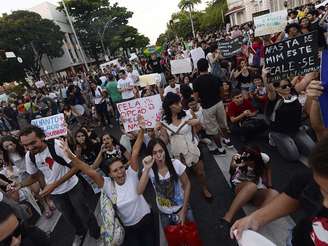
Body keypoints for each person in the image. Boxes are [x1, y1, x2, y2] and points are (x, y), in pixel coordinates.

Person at [61, 126, 156, 246]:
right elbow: (89, 171)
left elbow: (135, 152)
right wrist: (70, 156)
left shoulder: (131, 174)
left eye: (121, 167)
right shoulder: (107, 185)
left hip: (147, 219)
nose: (120, 171)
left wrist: (142, 130)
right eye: (115, 170)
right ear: (110, 174)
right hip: (129, 228)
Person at [231, 136, 328, 246]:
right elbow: (295, 194)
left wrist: (268, 184)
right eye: (322, 190)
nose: (324, 204)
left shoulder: (264, 159)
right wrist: (254, 218)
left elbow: (267, 170)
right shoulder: (308, 177)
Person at [17, 126, 100, 244]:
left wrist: (53, 185)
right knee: (69, 216)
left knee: (83, 211)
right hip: (56, 194)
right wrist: (20, 185)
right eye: (25, 145)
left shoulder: (57, 145)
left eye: (33, 143)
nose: (30, 147)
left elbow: (76, 167)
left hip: (72, 187)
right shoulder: (29, 156)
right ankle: (80, 232)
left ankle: (95, 231)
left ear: (42, 137)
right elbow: (34, 176)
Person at [160, 92, 213, 199]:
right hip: (178, 154)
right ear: (170, 106)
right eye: (177, 103)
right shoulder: (164, 122)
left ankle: (205, 188)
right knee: (182, 176)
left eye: (179, 102)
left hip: (193, 148)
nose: (180, 105)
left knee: (200, 173)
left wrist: (197, 123)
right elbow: (165, 141)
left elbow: (199, 129)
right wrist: (154, 134)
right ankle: (185, 194)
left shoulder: (188, 114)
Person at [137, 137, 193, 229]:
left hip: (182, 208)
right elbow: (139, 191)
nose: (159, 155)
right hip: (164, 213)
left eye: (161, 151)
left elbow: (187, 185)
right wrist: (146, 168)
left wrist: (184, 210)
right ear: (150, 155)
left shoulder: (176, 164)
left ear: (165, 151)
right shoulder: (149, 170)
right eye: (154, 153)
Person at [219, 146, 278, 227]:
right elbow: (231, 172)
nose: (246, 162)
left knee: (274, 194)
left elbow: (268, 168)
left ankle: (256, 218)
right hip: (239, 185)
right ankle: (228, 217)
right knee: (251, 186)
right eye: (245, 159)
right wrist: (235, 164)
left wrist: (269, 184)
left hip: (256, 187)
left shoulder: (264, 158)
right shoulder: (238, 158)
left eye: (249, 161)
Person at [0, 136, 55, 218]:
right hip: (24, 173)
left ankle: (49, 200)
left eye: (11, 144)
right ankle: (45, 206)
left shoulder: (23, 148)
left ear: (14, 142)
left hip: (35, 169)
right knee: (36, 191)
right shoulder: (7, 155)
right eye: (6, 146)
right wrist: (10, 174)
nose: (10, 147)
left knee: (43, 186)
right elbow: (9, 167)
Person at [265, 79, 315, 161]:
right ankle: (273, 137)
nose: (288, 87)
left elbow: (307, 78)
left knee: (313, 151)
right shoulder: (274, 98)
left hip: (295, 130)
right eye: (284, 86)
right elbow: (270, 89)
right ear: (277, 88)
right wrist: (265, 77)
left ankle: (294, 141)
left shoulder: (293, 93)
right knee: (293, 156)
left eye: (289, 85)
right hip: (279, 132)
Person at [193, 58, 233, 156]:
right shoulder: (215, 77)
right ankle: (228, 141)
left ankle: (220, 150)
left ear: (198, 68)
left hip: (207, 107)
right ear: (208, 66)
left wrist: (201, 100)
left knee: (213, 129)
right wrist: (220, 98)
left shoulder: (196, 82)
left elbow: (196, 98)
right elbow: (222, 90)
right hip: (219, 103)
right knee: (223, 124)